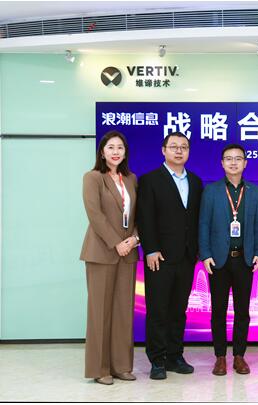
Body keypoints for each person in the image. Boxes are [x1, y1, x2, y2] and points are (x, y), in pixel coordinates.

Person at [136, 132, 203, 380]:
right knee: (158, 309)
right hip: (160, 256)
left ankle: (175, 356)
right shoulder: (150, 180)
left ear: (188, 152)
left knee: (178, 309)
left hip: (187, 256)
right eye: (173, 146)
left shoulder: (195, 181)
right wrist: (150, 249)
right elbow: (145, 217)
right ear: (163, 150)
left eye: (183, 147)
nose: (179, 151)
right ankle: (157, 359)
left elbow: (196, 219)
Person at [199, 144, 258, 376]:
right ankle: (220, 357)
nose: (234, 162)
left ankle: (239, 356)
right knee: (218, 310)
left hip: (244, 259)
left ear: (245, 163)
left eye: (238, 159)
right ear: (222, 163)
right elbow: (203, 224)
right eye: (229, 159)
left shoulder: (254, 191)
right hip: (218, 261)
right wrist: (205, 254)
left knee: (242, 311)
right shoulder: (212, 191)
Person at [80, 130, 139, 385]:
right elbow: (95, 214)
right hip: (102, 251)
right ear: (102, 152)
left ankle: (121, 366)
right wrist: (117, 243)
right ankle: (100, 369)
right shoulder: (93, 177)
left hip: (128, 252)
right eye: (111, 147)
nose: (116, 152)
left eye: (120, 148)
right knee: (100, 311)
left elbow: (138, 215)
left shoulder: (131, 179)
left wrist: (134, 239)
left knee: (123, 312)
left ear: (125, 152)